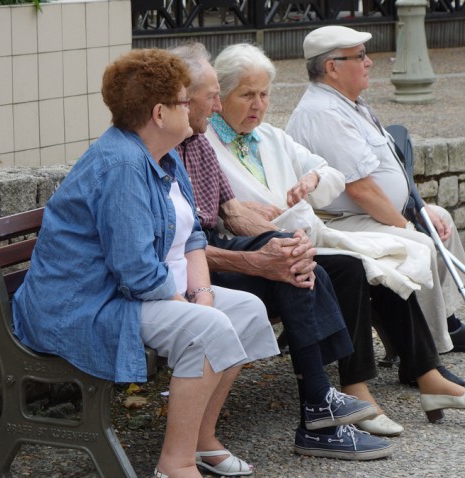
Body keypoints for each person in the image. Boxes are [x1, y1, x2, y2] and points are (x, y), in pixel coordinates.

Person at [173, 42, 465, 435]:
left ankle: (426, 373)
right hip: (269, 246)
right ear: (218, 96)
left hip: (300, 239)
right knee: (351, 268)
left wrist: (310, 179)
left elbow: (326, 173)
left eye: (264, 94)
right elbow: (219, 217)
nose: (257, 104)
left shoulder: (269, 136)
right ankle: (356, 388)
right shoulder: (201, 142)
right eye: (246, 95)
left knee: (386, 262)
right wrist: (263, 227)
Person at [10, 49, 282, 478]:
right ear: (159, 113)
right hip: (82, 307)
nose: (191, 107)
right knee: (206, 328)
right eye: (182, 101)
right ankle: (175, 465)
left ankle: (202, 441)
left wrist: (203, 294)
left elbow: (192, 234)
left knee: (244, 311)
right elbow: (135, 271)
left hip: (121, 294)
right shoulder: (122, 166)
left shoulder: (167, 153)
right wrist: (191, 306)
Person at [166, 43, 397, 462]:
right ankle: (318, 403)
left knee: (298, 263)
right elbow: (178, 248)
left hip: (208, 255)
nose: (218, 106)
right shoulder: (158, 151)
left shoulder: (195, 141)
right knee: (293, 269)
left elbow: (231, 211)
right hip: (185, 272)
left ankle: (320, 401)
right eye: (213, 96)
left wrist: (286, 241)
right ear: (179, 100)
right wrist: (262, 257)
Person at [284, 26, 465, 355]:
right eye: (360, 56)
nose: (370, 62)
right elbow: (362, 190)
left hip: (367, 213)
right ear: (332, 67)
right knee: (419, 240)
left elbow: (389, 166)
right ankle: (425, 351)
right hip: (339, 221)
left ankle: (445, 320)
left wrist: (418, 207)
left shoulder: (349, 102)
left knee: (439, 219)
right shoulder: (322, 113)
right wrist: (405, 224)